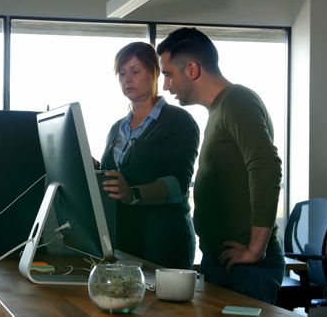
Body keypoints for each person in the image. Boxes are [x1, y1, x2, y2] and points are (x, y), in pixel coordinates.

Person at [156, 27, 284, 304]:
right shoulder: (219, 110)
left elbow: (266, 166)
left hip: (247, 268)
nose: (166, 85)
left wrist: (255, 249)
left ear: (191, 69)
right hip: (224, 261)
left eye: (168, 74)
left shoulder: (237, 100)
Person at [98, 41, 200, 269]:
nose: (127, 79)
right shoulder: (117, 128)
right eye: (122, 73)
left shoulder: (178, 121)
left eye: (135, 71)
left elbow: (177, 185)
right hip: (123, 242)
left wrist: (132, 193)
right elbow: (112, 175)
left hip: (162, 242)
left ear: (155, 73)